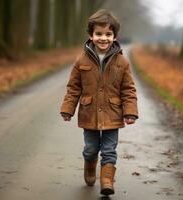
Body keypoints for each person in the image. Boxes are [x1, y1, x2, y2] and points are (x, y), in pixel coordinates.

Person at [60, 9, 138, 196]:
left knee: (109, 150)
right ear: (91, 35)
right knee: (91, 148)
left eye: (108, 34)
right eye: (99, 34)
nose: (104, 38)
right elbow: (74, 88)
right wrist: (68, 109)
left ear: (115, 36)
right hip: (90, 112)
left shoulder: (122, 62)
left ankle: (106, 181)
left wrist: (130, 111)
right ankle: (89, 166)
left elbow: (128, 89)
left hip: (113, 112)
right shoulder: (81, 60)